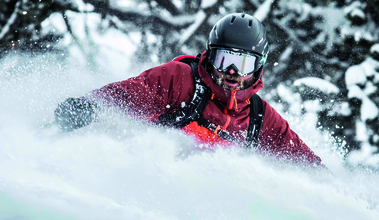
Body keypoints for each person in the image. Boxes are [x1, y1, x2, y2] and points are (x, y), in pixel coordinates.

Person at [54, 13, 322, 166]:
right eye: (224, 60)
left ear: (258, 66)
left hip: (215, 198)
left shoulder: (259, 117)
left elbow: (299, 159)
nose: (232, 72)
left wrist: (331, 194)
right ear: (210, 55)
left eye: (243, 63)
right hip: (153, 176)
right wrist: (89, 105)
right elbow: (130, 94)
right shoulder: (181, 80)